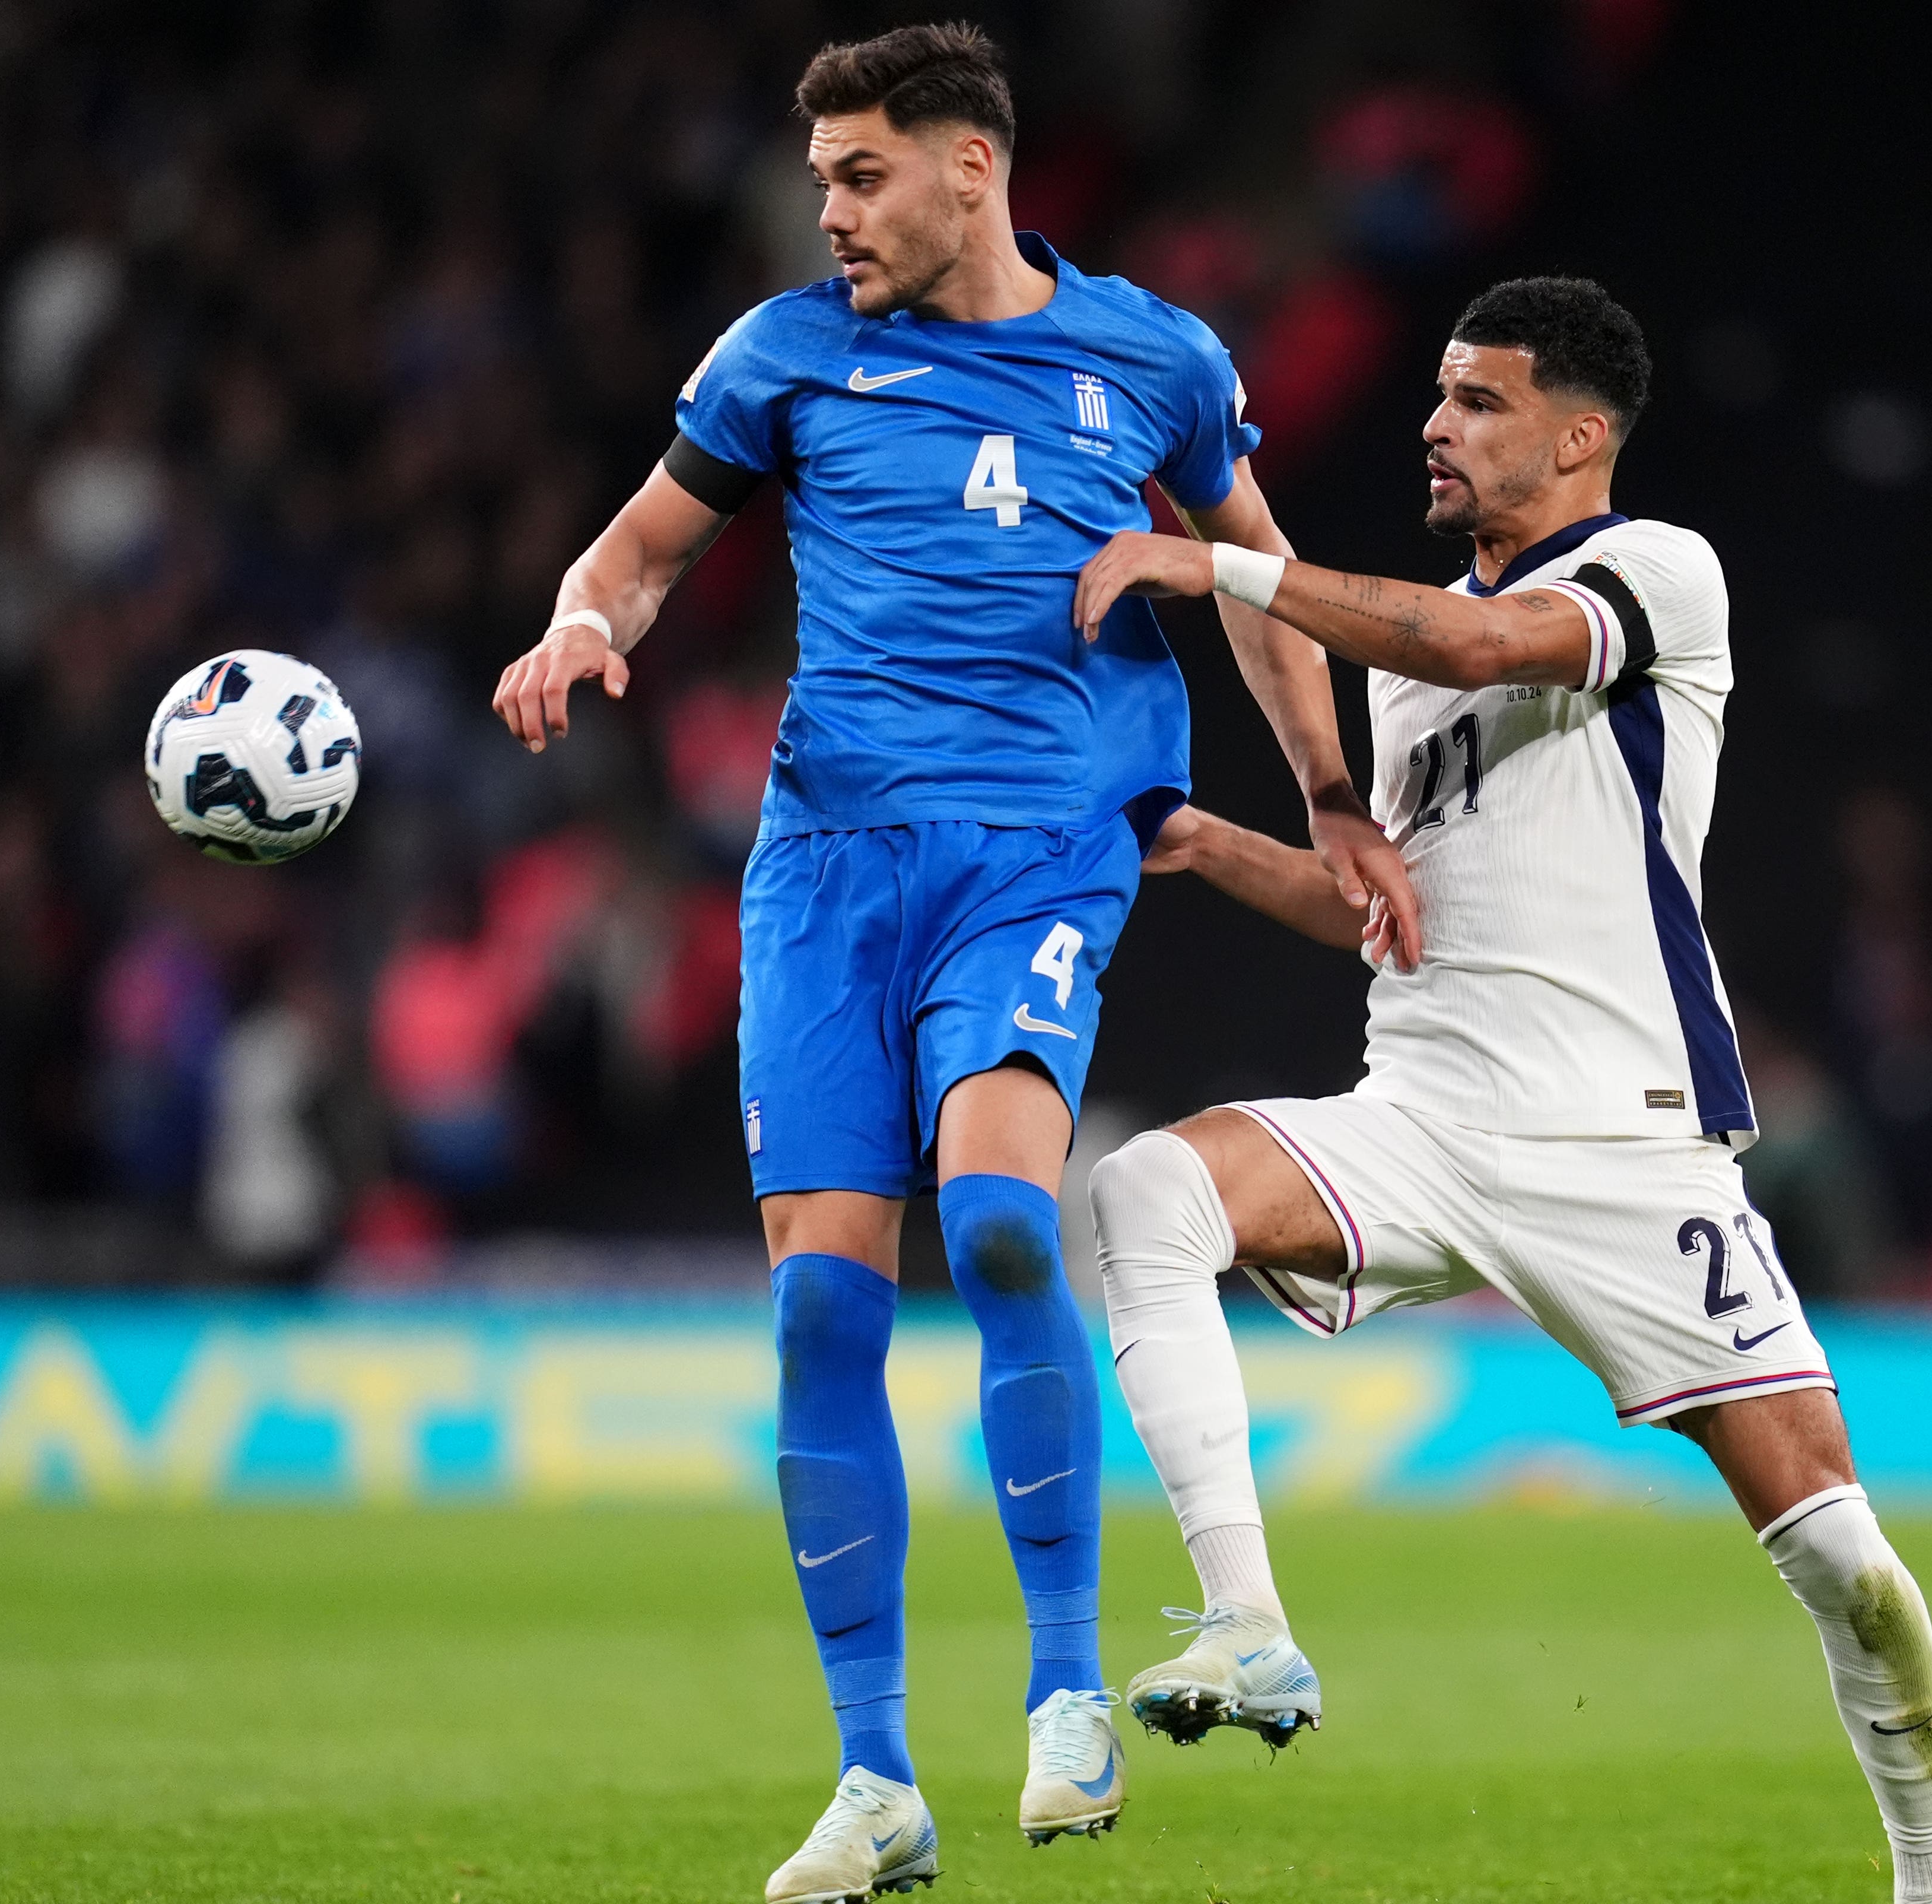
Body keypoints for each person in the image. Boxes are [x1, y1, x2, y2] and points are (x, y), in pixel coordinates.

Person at [490, 23, 1413, 1903]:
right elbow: (645, 548)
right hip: (823, 873)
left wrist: (1329, 791)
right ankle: (873, 1779)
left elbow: (1260, 580)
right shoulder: (783, 355)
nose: (825, 210)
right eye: (818, 178)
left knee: (1001, 1221)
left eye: (857, 175)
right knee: (825, 1309)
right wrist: (585, 625)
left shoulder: (1153, 356)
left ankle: (1067, 1690)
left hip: (1043, 851)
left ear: (971, 167)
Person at [1073, 276, 1932, 1904]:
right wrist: (1206, 844)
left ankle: (1930, 1876)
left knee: (1843, 1559)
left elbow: (1485, 636)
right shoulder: (1400, 662)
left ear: (1580, 437)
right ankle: (1250, 1625)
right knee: (1146, 1189)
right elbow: (1395, 910)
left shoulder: (1654, 573)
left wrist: (1211, 559)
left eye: (1476, 402)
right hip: (1422, 1118)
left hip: (1625, 1147)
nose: (1432, 425)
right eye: (1433, 396)